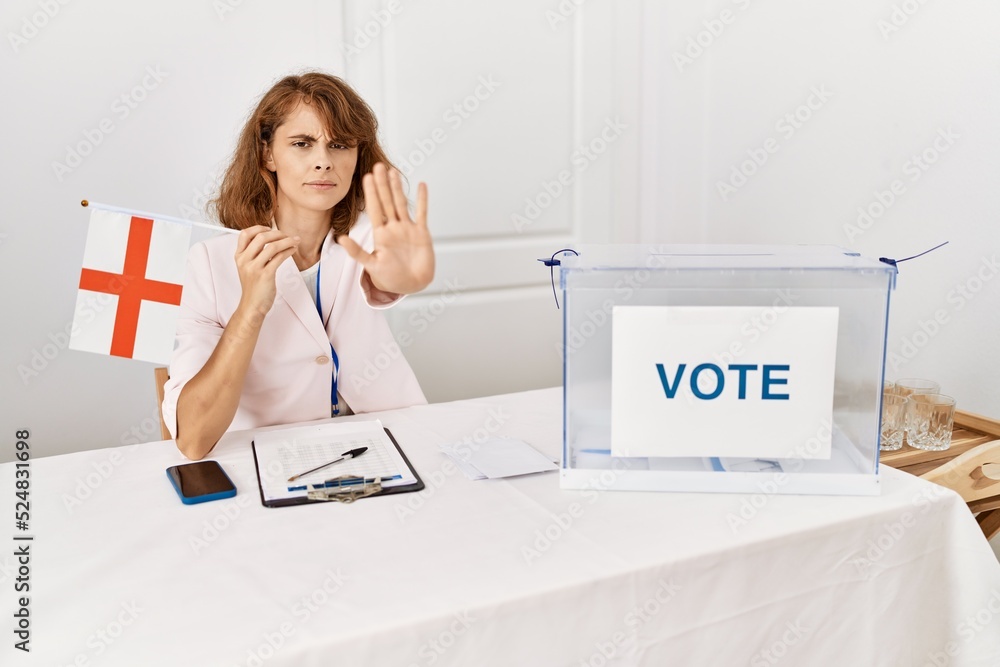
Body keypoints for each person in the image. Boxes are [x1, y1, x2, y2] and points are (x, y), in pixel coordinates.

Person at [161, 72, 434, 460]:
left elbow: (389, 275)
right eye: (302, 144)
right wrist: (252, 308)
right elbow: (193, 438)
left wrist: (408, 276)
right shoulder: (209, 263)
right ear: (267, 154)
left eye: (339, 145)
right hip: (275, 458)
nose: (324, 162)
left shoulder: (370, 236)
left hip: (386, 444)